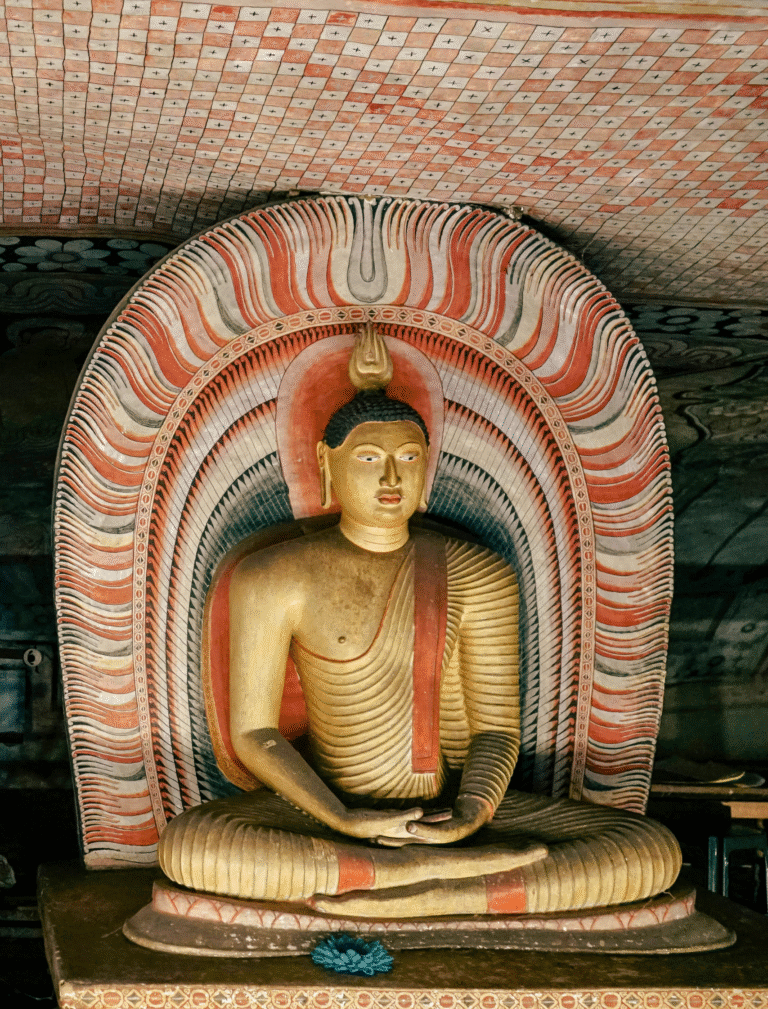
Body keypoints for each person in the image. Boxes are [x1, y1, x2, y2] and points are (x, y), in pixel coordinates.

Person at [158, 325, 681, 918]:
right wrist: (343, 817)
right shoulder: (276, 576)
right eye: (368, 459)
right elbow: (255, 735)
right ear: (327, 469)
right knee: (192, 847)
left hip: (447, 809)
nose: (390, 479)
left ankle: (408, 881)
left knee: (648, 850)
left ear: (427, 471)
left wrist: (471, 814)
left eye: (408, 459)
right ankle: (451, 885)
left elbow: (495, 729)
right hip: (325, 805)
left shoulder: (477, 572)